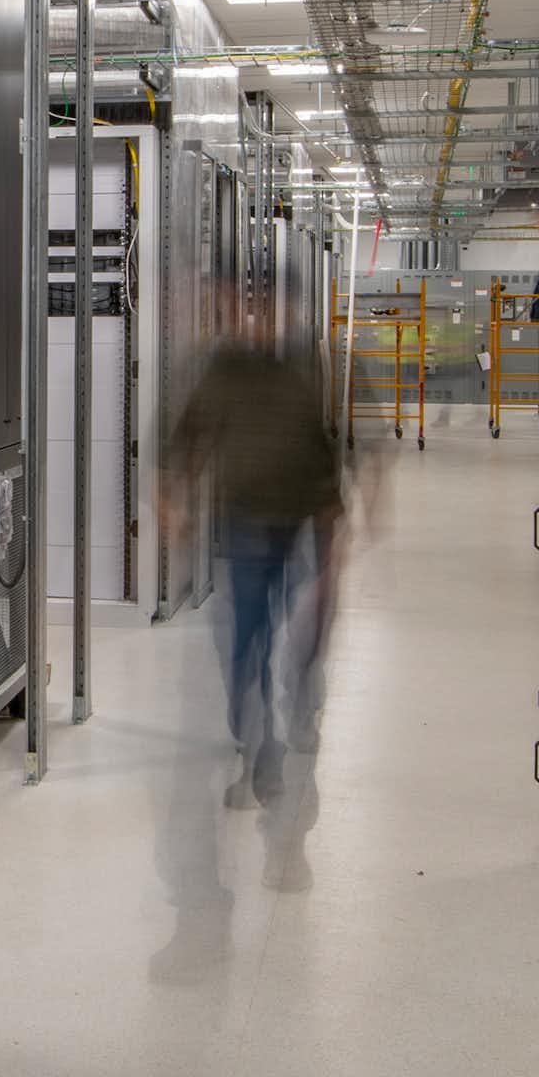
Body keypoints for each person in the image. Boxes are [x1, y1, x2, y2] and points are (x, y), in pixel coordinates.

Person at [161, 290, 346, 805]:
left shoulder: (299, 370)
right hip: (243, 527)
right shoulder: (222, 372)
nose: (256, 321)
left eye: (266, 310)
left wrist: (336, 531)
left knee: (299, 639)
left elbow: (322, 448)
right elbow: (187, 437)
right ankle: (259, 751)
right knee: (247, 639)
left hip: (297, 528)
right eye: (246, 310)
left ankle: (298, 706)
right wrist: (174, 497)